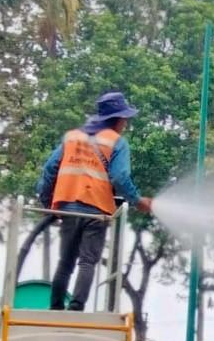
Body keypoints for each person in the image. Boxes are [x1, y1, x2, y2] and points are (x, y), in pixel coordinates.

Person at [36, 91, 153, 311]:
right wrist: (137, 200)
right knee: (88, 261)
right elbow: (120, 177)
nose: (126, 123)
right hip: (97, 210)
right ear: (117, 119)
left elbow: (50, 169)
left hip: (69, 207)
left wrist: (47, 202)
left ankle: (56, 308)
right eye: (124, 118)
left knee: (65, 262)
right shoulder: (117, 143)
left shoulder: (73, 137)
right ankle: (77, 308)